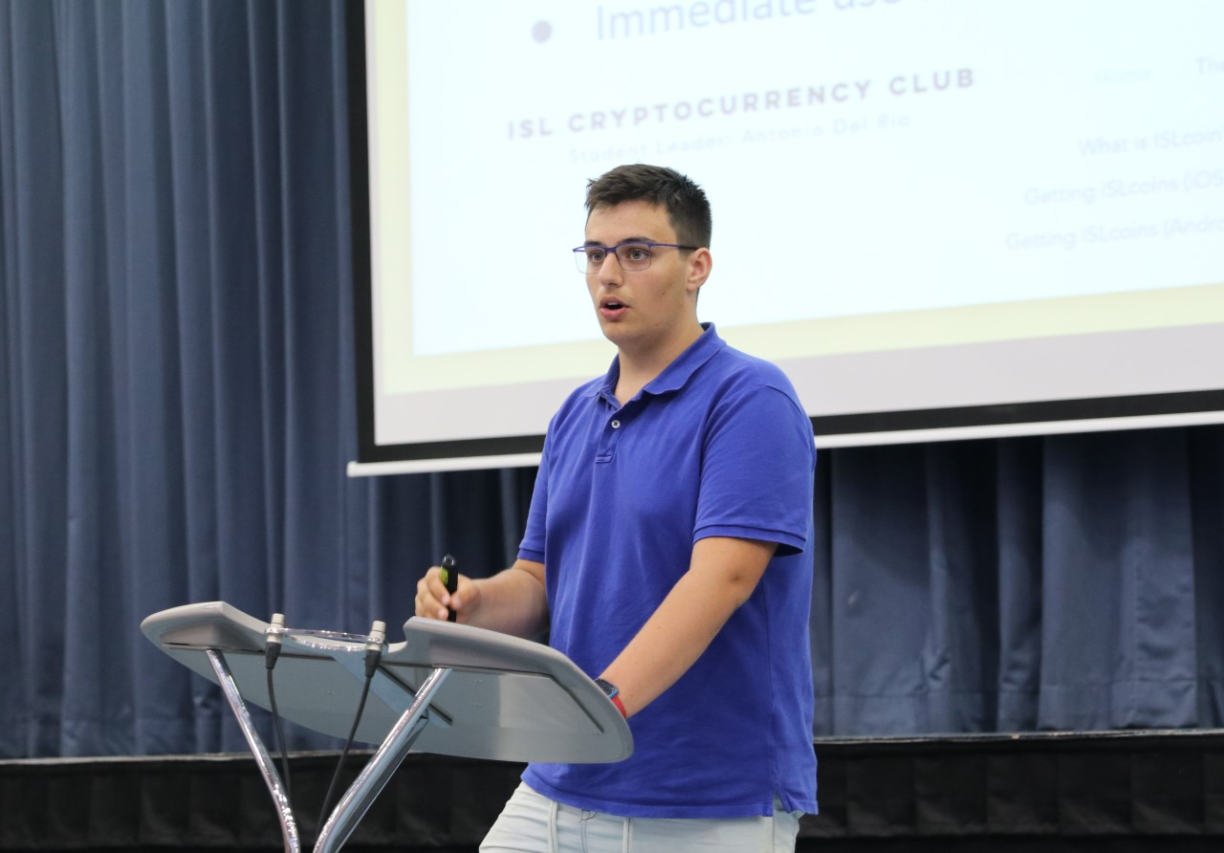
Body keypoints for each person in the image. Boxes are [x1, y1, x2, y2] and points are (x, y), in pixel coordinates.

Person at [416, 164, 817, 851]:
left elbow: (722, 579)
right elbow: (538, 582)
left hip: (705, 799)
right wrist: (475, 602)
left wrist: (598, 705)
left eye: (635, 253)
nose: (608, 275)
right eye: (595, 254)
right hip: (558, 780)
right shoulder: (576, 413)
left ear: (697, 267)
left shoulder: (750, 398)